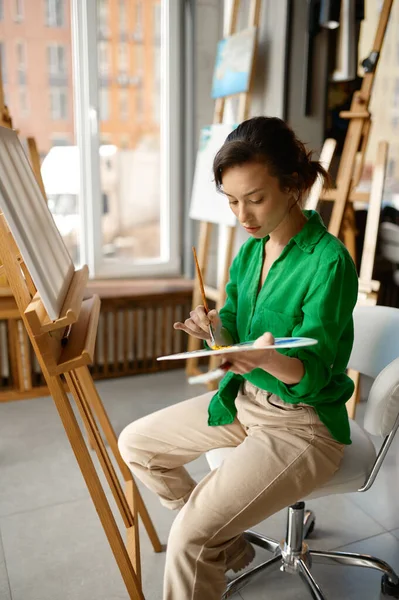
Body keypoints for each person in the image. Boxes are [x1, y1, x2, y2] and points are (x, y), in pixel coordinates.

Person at [118, 116, 359, 600]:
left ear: (292, 186)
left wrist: (264, 359)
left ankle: (207, 542)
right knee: (136, 445)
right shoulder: (251, 252)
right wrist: (214, 329)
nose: (243, 215)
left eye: (256, 198)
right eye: (231, 201)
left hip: (302, 424)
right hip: (246, 401)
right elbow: (233, 322)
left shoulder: (328, 261)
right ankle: (226, 549)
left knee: (188, 537)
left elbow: (311, 375)